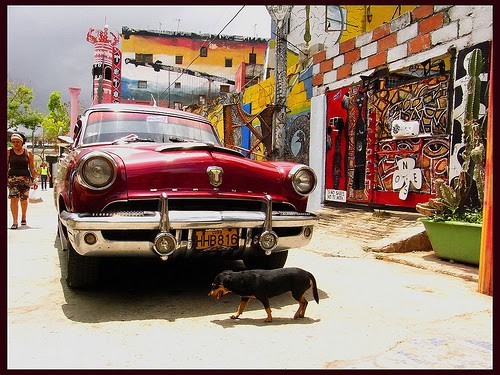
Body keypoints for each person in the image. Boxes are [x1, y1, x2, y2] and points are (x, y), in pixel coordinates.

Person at [7, 133, 38, 229]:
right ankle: (15, 221)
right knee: (14, 198)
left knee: (24, 200)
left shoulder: (28, 153)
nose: (15, 144)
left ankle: (23, 217)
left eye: (17, 142)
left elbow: (32, 168)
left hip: (25, 179)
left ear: (22, 142)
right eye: (13, 142)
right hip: (12, 178)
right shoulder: (8, 152)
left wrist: (35, 179)